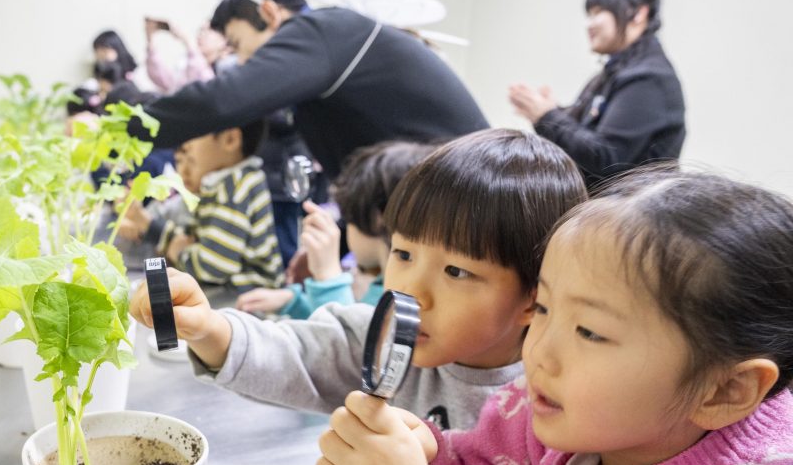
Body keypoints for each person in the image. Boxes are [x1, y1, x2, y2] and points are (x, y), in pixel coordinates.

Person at [318, 167, 793, 465]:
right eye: (544, 309)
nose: (539, 352)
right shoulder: (545, 413)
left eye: (589, 331)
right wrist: (426, 457)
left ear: (724, 391)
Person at [130, 129, 587, 432]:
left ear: (534, 297)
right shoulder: (381, 338)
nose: (411, 291)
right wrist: (210, 329)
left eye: (457, 272)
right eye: (403, 254)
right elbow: (296, 356)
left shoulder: (549, 398)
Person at [133, 0, 489, 182]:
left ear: (269, 12)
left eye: (239, 44)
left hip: (468, 184)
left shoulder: (316, 31)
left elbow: (222, 100)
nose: (242, 63)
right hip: (446, 183)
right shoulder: (324, 52)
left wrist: (126, 127)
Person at [508, 0, 685, 190]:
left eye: (599, 12)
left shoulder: (648, 78)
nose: (589, 24)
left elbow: (607, 158)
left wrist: (547, 115)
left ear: (638, 13)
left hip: (630, 218)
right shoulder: (616, 71)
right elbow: (587, 132)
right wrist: (552, 111)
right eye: (589, 15)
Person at [236, 140, 436, 318]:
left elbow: (351, 344)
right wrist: (292, 302)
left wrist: (328, 276)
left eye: (349, 219)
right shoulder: (381, 283)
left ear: (377, 219)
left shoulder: (399, 297)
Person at [121, 119, 283, 291]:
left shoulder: (234, 188)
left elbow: (211, 267)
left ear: (230, 140)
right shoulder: (228, 182)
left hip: (247, 298)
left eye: (196, 131)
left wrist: (179, 249)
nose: (187, 141)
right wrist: (177, 241)